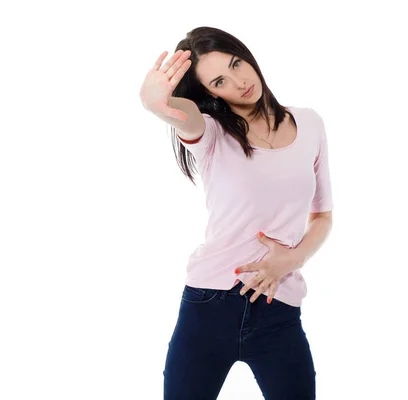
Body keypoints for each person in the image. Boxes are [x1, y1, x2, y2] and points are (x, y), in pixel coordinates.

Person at [139, 27, 334, 399]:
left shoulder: (310, 123)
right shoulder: (210, 133)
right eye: (219, 80)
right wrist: (155, 104)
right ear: (210, 93)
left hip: (279, 307)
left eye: (236, 63)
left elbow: (323, 215)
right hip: (208, 307)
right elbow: (185, 117)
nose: (240, 81)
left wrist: (292, 259)